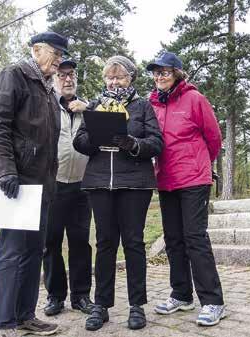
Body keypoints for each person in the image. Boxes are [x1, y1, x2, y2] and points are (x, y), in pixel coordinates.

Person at [0, 31, 69, 337]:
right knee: (11, 253)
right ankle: (4, 323)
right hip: (16, 182)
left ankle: (25, 316)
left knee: (35, 252)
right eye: (55, 54)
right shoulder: (14, 75)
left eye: (61, 56)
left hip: (42, 184)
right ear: (36, 50)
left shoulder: (48, 88)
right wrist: (5, 170)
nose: (59, 61)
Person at [73, 55, 163, 331]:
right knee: (105, 244)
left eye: (119, 77)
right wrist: (96, 139)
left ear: (130, 79)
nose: (114, 81)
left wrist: (131, 142)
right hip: (100, 182)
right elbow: (79, 141)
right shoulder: (96, 105)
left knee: (134, 244)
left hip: (134, 183)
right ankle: (101, 305)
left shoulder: (142, 106)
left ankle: (137, 305)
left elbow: (156, 143)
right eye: (109, 77)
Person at [146, 52, 226, 326]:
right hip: (166, 179)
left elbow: (214, 137)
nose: (160, 76)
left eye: (165, 71)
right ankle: (181, 294)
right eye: (156, 72)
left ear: (178, 74)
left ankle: (213, 301)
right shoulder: (152, 103)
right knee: (173, 239)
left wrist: (203, 164)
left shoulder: (195, 99)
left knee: (195, 238)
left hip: (193, 178)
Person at [42, 60, 93, 316]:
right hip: (54, 186)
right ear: (54, 80)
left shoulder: (88, 107)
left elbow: (108, 124)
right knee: (50, 243)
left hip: (83, 188)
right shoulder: (47, 106)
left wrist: (90, 109)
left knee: (80, 243)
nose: (68, 79)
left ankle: (81, 296)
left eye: (71, 74)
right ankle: (55, 296)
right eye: (62, 75)